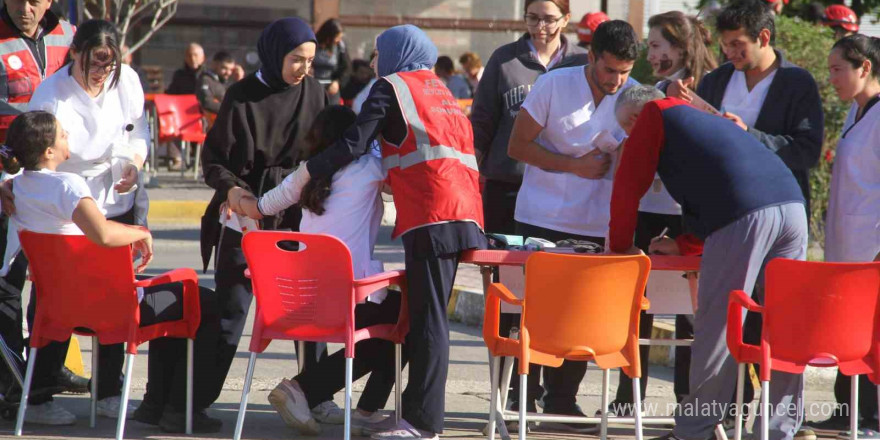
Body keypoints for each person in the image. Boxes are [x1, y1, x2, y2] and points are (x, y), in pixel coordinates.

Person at [265, 24, 485, 440]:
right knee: (421, 318)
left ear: (398, 54)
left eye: (380, 54)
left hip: (431, 213)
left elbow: (354, 143)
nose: (376, 63)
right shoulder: (443, 93)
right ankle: (379, 411)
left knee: (427, 323)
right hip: (466, 213)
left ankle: (421, 424)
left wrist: (309, 171)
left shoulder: (392, 87)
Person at [1, 110, 222, 432]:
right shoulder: (67, 184)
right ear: (48, 151)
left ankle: (157, 406)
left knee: (177, 296)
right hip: (109, 308)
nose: (68, 138)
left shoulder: (16, 188)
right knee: (199, 300)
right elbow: (102, 234)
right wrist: (142, 233)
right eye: (63, 134)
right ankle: (172, 406)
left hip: (60, 307)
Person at [609, 85, 807, 440]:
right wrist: (683, 243)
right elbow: (726, 184)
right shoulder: (701, 121)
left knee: (718, 326)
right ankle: (778, 430)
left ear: (637, 116)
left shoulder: (655, 114)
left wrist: (619, 249)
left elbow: (626, 186)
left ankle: (696, 429)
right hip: (792, 207)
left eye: (626, 128)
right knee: (786, 325)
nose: (628, 137)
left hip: (744, 215)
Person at [0, 19, 151, 425]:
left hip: (116, 188)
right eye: (94, 64)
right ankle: (42, 389)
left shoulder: (127, 81)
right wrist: (12, 183)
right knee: (57, 292)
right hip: (62, 194)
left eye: (109, 65)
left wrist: (134, 163)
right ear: (76, 54)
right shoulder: (53, 92)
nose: (102, 73)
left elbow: (138, 130)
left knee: (114, 290)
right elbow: (30, 146)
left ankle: (109, 388)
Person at [506, 19, 638, 431]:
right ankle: (521, 397)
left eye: (625, 72)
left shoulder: (632, 97)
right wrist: (573, 166)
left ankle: (562, 401)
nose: (616, 80)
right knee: (531, 315)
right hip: (540, 218)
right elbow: (517, 146)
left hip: (596, 223)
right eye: (609, 69)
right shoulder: (554, 85)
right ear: (592, 56)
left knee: (581, 315)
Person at [238, 105, 402, 436]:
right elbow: (402, 181)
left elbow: (261, 207)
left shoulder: (305, 173)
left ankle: (357, 408)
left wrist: (236, 201)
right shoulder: (369, 167)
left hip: (298, 302)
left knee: (397, 319)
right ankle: (306, 390)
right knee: (410, 318)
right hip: (346, 302)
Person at [199, 17, 331, 424]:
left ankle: (317, 393)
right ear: (276, 55)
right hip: (246, 212)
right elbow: (214, 160)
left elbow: (328, 150)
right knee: (231, 309)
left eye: (310, 60)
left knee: (307, 310)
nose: (304, 69)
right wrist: (234, 191)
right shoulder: (241, 95)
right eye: (296, 59)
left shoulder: (315, 93)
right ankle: (196, 400)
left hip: (298, 214)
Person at [603, 10, 718, 417]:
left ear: (679, 45)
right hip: (647, 209)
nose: (649, 55)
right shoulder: (659, 88)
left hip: (687, 212)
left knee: (689, 313)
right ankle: (627, 396)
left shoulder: (704, 89)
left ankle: (686, 399)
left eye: (655, 46)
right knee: (636, 308)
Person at [0, 0, 80, 405]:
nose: (25, 7)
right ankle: (12, 381)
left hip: (58, 182)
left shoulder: (69, 37)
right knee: (7, 286)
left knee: (55, 286)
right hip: (9, 186)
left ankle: (45, 372)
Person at [813, 35, 880, 438]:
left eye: (839, 69)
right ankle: (847, 408)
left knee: (872, 333)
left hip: (872, 244)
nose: (832, 77)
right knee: (850, 330)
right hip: (847, 241)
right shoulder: (855, 113)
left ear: (864, 68)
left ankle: (871, 417)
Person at [164, 42, 205, 170]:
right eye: (189, 55)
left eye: (196, 55)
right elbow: (171, 94)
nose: (192, 58)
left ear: (202, 58)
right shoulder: (179, 75)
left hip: (201, 114)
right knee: (171, 123)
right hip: (181, 115)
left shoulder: (206, 76)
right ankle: (176, 159)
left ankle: (202, 160)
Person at [313, 18, 350, 105]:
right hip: (314, 86)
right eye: (337, 37)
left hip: (331, 87)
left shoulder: (339, 47)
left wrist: (338, 82)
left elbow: (346, 67)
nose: (338, 40)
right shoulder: (314, 44)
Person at [196, 51, 235, 124]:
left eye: (231, 70)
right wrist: (230, 109)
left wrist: (239, 79)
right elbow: (207, 102)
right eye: (224, 68)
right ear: (214, 64)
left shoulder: (224, 82)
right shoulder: (206, 80)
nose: (228, 72)